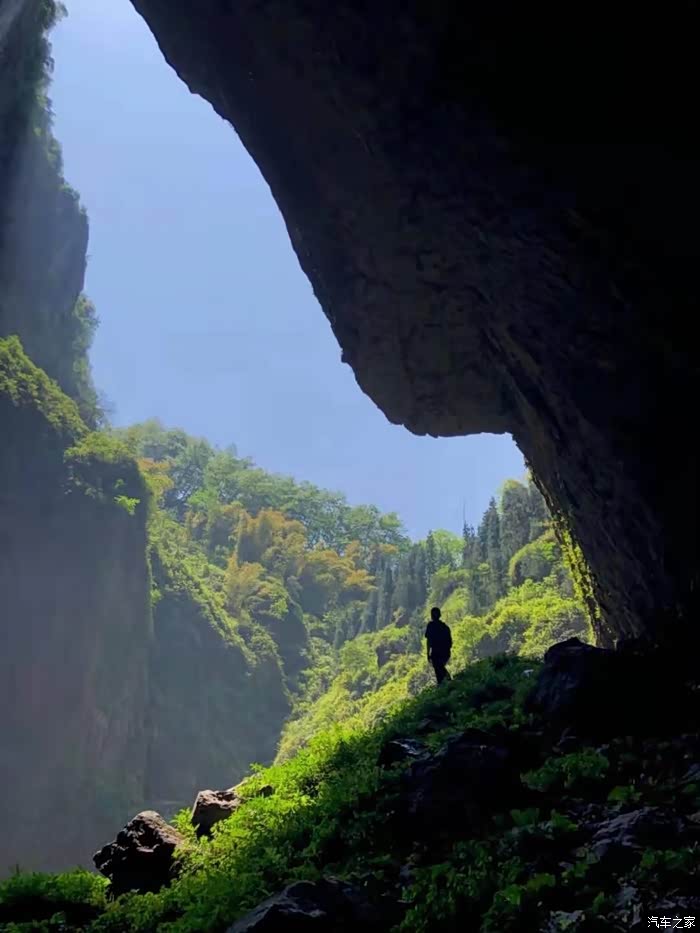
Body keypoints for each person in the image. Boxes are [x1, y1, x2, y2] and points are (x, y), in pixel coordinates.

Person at [425, 606, 452, 684]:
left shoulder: (430, 626)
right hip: (445, 652)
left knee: (438, 669)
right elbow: (450, 643)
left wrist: (428, 653)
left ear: (431, 616)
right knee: (439, 667)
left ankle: (448, 682)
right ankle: (446, 684)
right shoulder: (445, 627)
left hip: (436, 653)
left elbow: (429, 641)